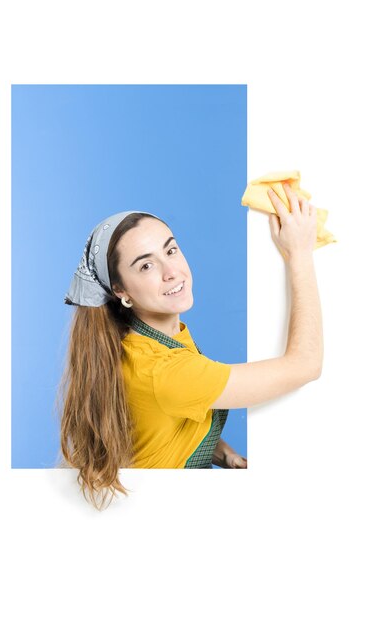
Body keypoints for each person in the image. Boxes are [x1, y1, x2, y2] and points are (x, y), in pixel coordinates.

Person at [56, 183, 323, 509]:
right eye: (146, 265)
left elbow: (160, 422)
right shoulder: (162, 370)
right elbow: (306, 364)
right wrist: (299, 254)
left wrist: (221, 452)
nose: (172, 272)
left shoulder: (137, 344)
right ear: (121, 291)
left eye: (170, 250)